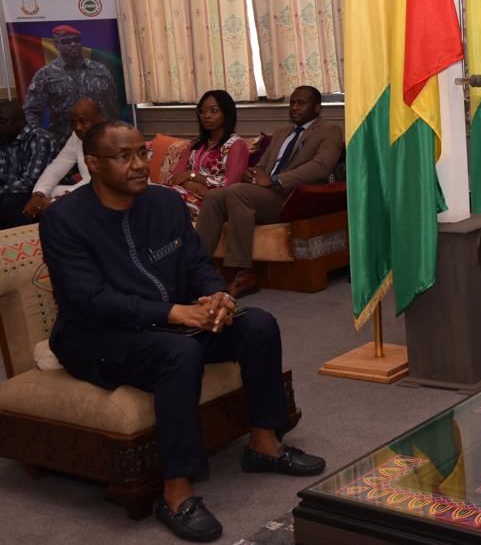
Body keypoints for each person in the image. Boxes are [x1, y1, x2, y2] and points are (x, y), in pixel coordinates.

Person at [40, 121, 325, 543]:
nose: (140, 165)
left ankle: (264, 443)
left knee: (258, 324)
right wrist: (175, 313)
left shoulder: (165, 203)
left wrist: (217, 297)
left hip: (168, 323)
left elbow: (195, 264)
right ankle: (176, 491)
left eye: (142, 153)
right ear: (94, 164)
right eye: (124, 157)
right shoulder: (63, 219)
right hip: (96, 336)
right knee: (179, 354)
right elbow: (91, 299)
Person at [196, 86, 342, 298]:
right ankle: (198, 269)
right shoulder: (282, 133)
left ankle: (241, 272)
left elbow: (320, 167)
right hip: (264, 194)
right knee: (214, 196)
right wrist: (251, 174)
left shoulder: (330, 131)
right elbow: (262, 166)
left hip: (293, 197)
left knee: (237, 193)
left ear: (317, 108)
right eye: (292, 103)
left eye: (301, 103)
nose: (294, 107)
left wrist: (274, 180)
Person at [24, 24, 120, 146]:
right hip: (63, 141)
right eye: (66, 41)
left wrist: (114, 133)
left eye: (76, 40)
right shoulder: (45, 74)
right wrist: (41, 135)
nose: (73, 44)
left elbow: (113, 107)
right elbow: (31, 111)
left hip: (99, 139)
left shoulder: (100, 70)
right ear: (56, 45)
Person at [165, 90, 249, 220]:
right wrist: (191, 185)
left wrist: (192, 175)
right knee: (156, 195)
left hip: (214, 204)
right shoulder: (195, 144)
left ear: (227, 113)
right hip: (186, 195)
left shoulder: (236, 145)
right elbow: (174, 177)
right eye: (202, 111)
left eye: (214, 111)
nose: (206, 116)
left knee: (166, 201)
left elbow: (229, 185)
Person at [22, 98, 104, 219]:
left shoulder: (109, 138)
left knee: (57, 203)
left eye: (82, 121)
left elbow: (94, 181)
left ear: (98, 119)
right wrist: (38, 195)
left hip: (103, 195)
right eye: (73, 123)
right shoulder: (77, 137)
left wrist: (55, 200)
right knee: (49, 192)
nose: (78, 127)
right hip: (84, 192)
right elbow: (57, 167)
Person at [0, 101, 56, 229]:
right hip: (12, 189)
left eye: (2, 122)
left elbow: (30, 182)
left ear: (20, 122)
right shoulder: (4, 137)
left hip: (41, 191)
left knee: (9, 203)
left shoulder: (39, 138)